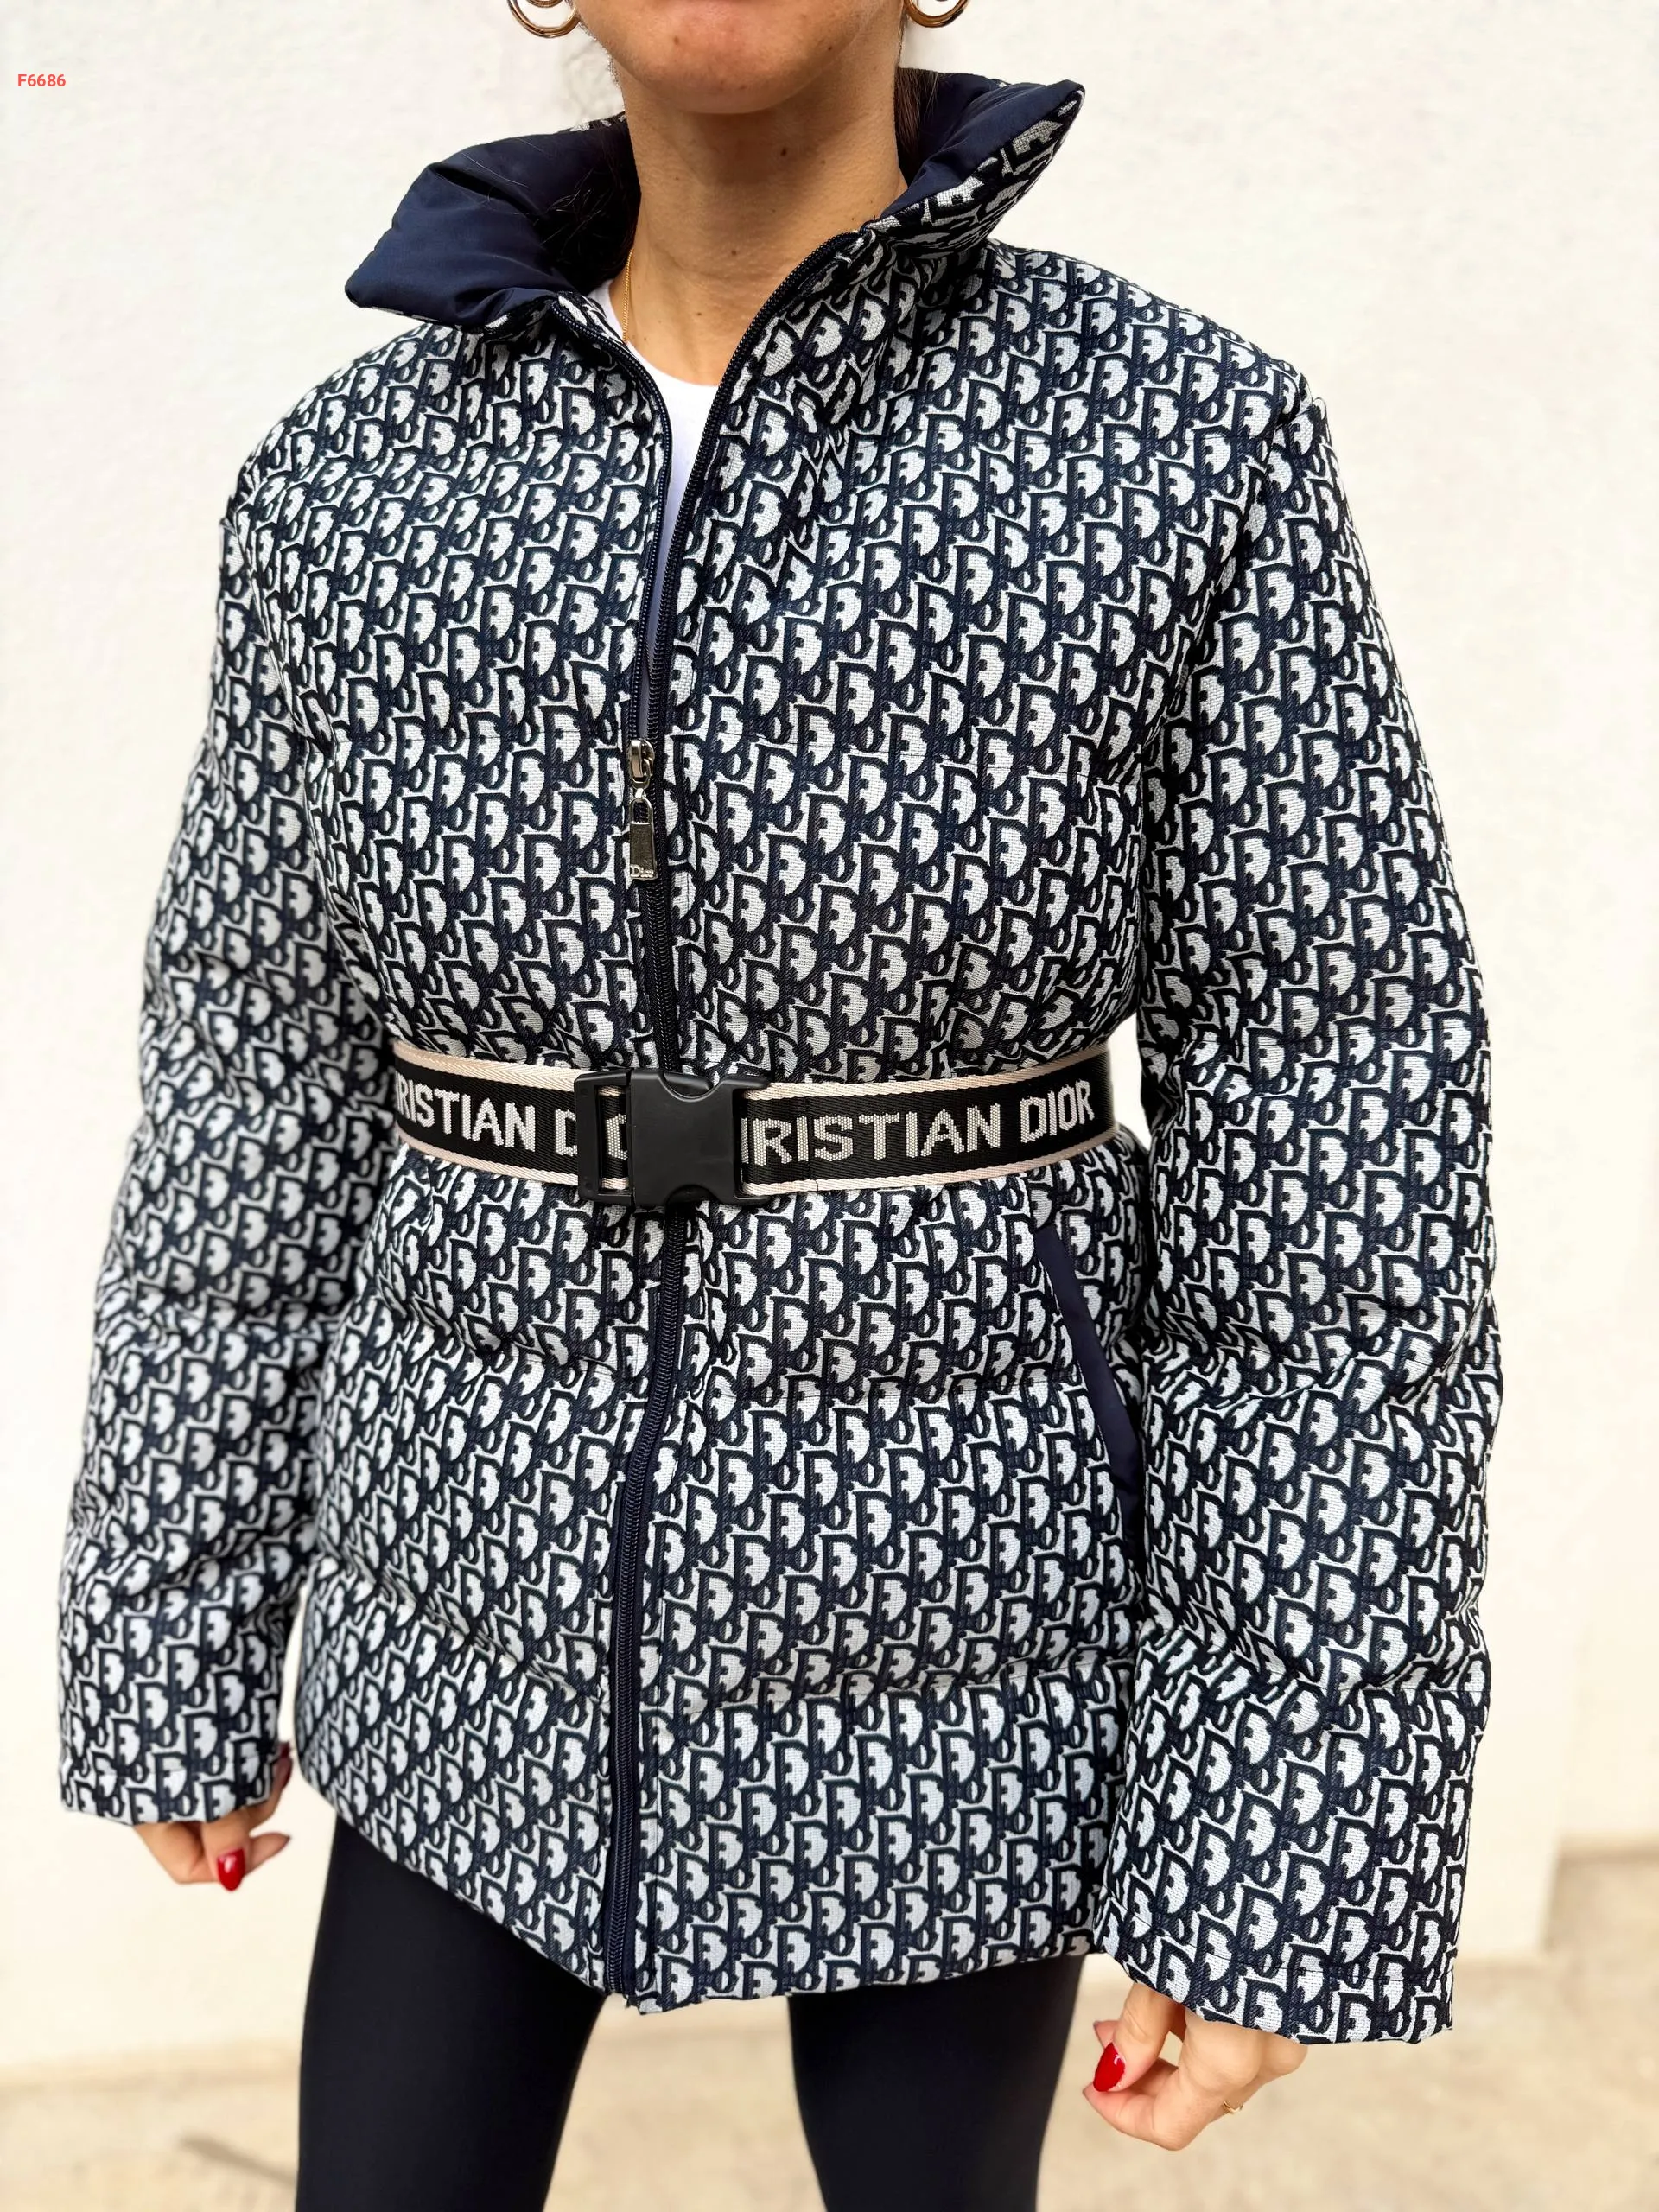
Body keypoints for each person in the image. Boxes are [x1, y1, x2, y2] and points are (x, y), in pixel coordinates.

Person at [56, 2, 1501, 2206]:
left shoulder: (1176, 445)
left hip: (973, 1603)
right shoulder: (350, 485)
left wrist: (1286, 1819)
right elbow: (255, 1074)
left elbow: (1338, 1134)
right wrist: (179, 1608)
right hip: (464, 1592)